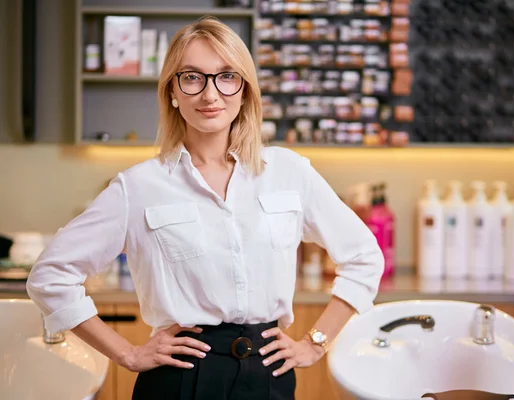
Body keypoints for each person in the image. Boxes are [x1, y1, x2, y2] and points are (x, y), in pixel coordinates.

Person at [26, 17, 384, 400]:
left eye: (226, 77)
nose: (210, 95)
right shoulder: (139, 186)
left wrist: (315, 342)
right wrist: (127, 353)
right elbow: (51, 277)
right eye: (192, 77)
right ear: (173, 92)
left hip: (269, 376)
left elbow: (364, 256)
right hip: (179, 378)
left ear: (245, 90)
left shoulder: (290, 172)